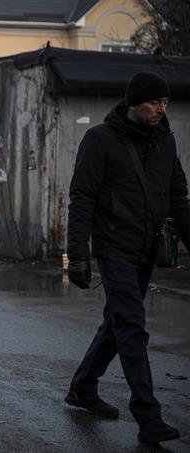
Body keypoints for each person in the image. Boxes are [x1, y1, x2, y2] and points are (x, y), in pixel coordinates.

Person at [65, 72, 190, 445]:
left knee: (117, 323)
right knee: (132, 324)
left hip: (146, 248)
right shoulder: (100, 140)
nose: (161, 108)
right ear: (134, 102)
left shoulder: (165, 140)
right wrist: (78, 255)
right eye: (155, 102)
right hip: (113, 247)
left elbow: (179, 197)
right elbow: (82, 198)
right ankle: (148, 416)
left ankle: (83, 387)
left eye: (165, 102)